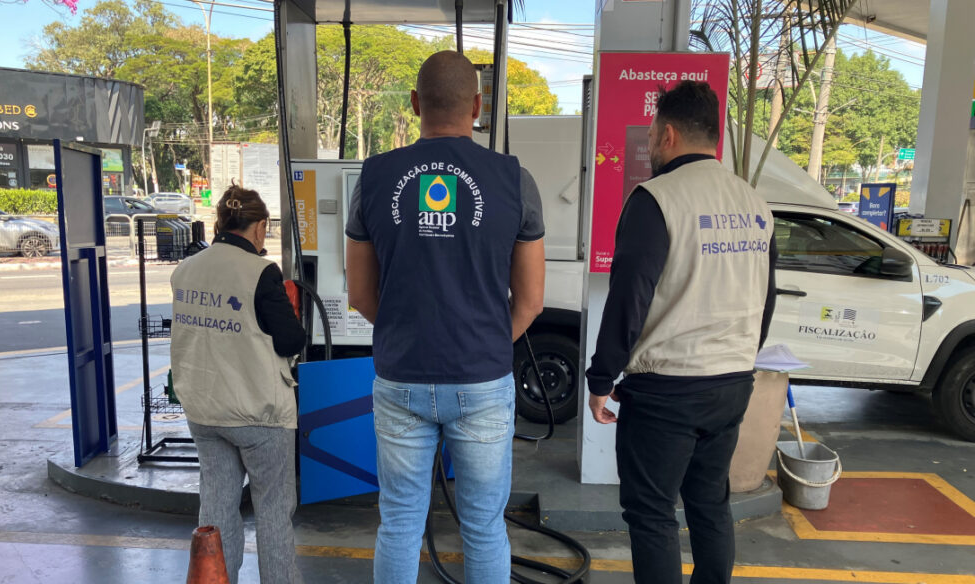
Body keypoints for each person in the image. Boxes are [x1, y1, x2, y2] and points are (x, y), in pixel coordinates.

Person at [344, 50, 546, 584]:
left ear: (415, 104)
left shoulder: (373, 177)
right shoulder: (514, 180)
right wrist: (485, 343)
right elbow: (530, 301)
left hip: (400, 375)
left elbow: (360, 293)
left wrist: (406, 333)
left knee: (399, 523)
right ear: (477, 106)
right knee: (484, 528)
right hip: (482, 379)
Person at [585, 81, 778, 584]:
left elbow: (628, 299)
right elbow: (767, 297)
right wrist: (739, 359)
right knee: (710, 503)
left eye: (651, 133)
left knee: (651, 513)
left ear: (667, 134)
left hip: (666, 391)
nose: (650, 142)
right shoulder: (754, 203)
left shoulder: (656, 199)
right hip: (732, 385)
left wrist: (602, 378)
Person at [170, 184, 306, 584]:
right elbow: (291, 340)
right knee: (273, 510)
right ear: (259, 226)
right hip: (259, 413)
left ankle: (214, 577)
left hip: (204, 411)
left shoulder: (185, 269)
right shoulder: (261, 272)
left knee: (216, 508)